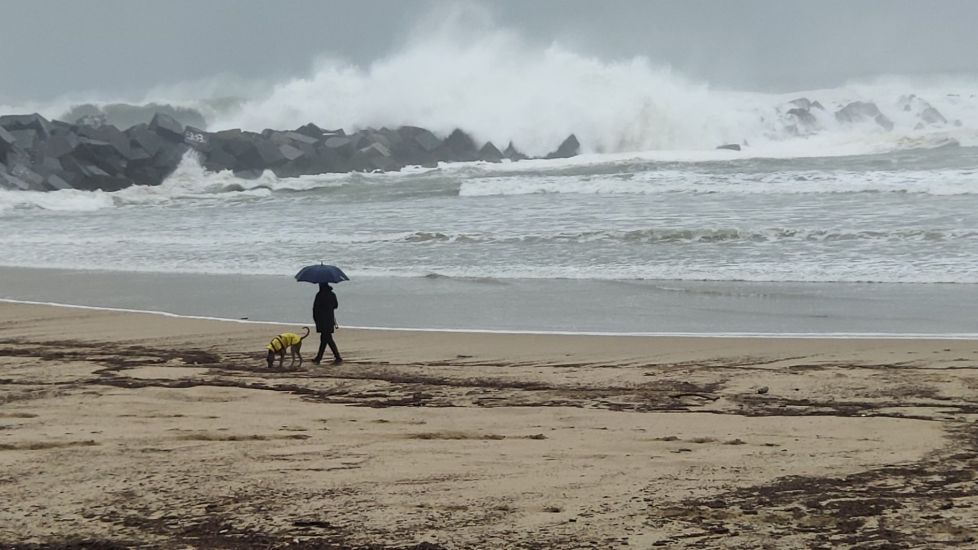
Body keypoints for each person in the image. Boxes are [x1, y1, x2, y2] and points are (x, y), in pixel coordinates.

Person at [312, 283, 342, 364]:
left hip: (322, 320)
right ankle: (319, 357)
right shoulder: (332, 294)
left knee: (326, 338)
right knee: (325, 338)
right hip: (329, 319)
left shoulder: (319, 295)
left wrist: (315, 319)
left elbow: (315, 308)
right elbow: (336, 306)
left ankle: (337, 357)